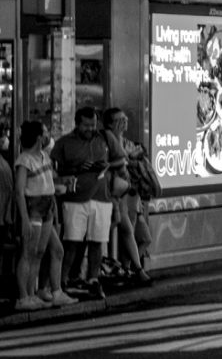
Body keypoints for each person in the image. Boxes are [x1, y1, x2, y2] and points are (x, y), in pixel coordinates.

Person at [52, 108, 114, 298]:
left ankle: (93, 279)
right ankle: (63, 280)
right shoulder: (64, 143)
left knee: (98, 241)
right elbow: (54, 171)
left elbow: (120, 160)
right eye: (86, 125)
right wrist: (75, 168)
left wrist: (107, 167)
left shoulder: (104, 139)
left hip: (102, 197)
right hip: (75, 198)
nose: (90, 129)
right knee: (72, 242)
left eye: (93, 125)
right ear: (77, 124)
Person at [9, 122, 69, 309]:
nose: (47, 136)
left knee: (40, 252)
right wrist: (25, 219)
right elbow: (19, 191)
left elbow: (48, 182)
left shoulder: (44, 156)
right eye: (44, 133)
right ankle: (23, 296)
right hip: (33, 206)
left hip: (47, 205)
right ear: (38, 137)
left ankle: (33, 293)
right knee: (28, 252)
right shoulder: (25, 160)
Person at [102, 108, 155, 285]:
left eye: (125, 119)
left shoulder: (125, 141)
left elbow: (134, 157)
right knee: (124, 229)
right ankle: (131, 270)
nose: (124, 122)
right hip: (111, 193)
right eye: (119, 120)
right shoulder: (108, 138)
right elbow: (118, 159)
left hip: (127, 195)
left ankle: (130, 269)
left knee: (131, 232)